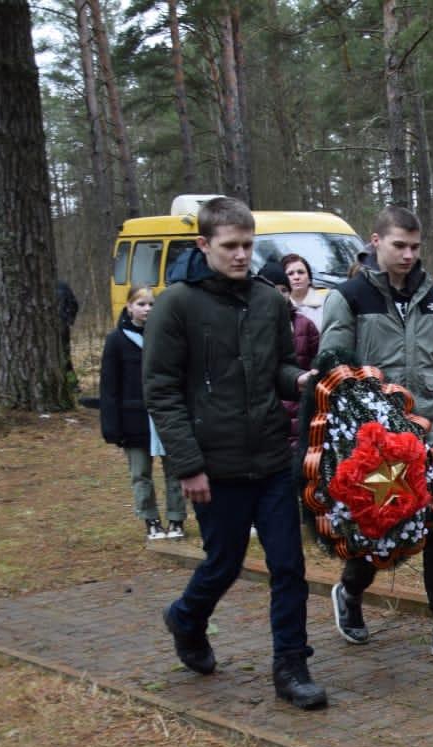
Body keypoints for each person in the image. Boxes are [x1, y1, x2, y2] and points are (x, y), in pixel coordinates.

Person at [144, 196, 327, 710]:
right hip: (214, 464)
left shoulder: (270, 302)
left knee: (288, 566)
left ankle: (291, 667)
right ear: (204, 245)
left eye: (248, 245)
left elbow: (281, 371)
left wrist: (305, 380)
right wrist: (188, 464)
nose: (241, 255)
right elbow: (161, 390)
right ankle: (186, 617)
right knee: (222, 563)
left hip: (270, 457)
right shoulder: (176, 305)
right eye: (231, 246)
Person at [322, 205, 433, 662]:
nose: (409, 255)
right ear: (376, 242)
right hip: (377, 443)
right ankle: (351, 590)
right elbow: (333, 371)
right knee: (382, 531)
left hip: (429, 435)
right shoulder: (350, 297)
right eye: (399, 245)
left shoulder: (432, 296)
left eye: (415, 247)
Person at [100, 286, 185, 540]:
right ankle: (151, 519)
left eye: (151, 304)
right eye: (141, 304)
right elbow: (109, 386)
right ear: (129, 307)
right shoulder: (116, 340)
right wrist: (112, 426)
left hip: (167, 416)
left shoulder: (166, 336)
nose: (147, 309)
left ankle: (176, 518)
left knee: (175, 471)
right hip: (134, 419)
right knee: (140, 473)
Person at [258, 260, 320, 452]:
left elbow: (315, 362)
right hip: (266, 412)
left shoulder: (305, 324)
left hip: (299, 406)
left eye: (283, 290)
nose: (278, 295)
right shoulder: (251, 326)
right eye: (273, 290)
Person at [281, 253, 327, 330]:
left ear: (309, 278)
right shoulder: (278, 306)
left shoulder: (326, 303)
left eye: (301, 272)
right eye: (290, 274)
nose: (296, 277)